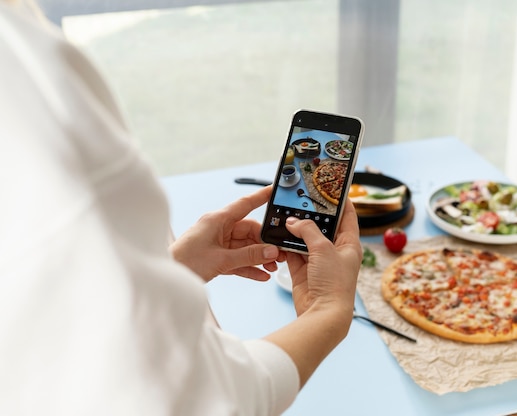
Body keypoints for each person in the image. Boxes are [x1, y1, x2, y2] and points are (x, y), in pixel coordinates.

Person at [0, 1, 363, 415]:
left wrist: (172, 269)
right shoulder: (27, 68)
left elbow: (56, 317)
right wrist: (331, 313)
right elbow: (203, 398)